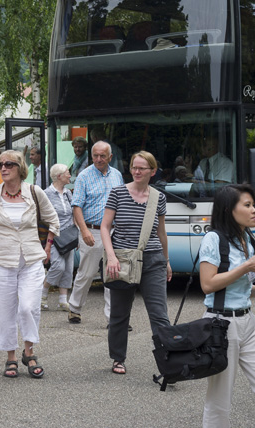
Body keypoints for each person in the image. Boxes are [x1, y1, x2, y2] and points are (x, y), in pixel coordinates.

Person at [198, 183, 255, 427]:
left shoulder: (246, 238)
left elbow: (244, 289)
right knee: (219, 400)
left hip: (249, 323)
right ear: (229, 209)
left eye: (253, 205)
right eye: (247, 205)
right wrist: (247, 266)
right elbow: (207, 284)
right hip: (220, 325)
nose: (254, 210)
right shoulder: (213, 239)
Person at [0, 150, 59, 379]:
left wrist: (47, 247)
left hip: (31, 260)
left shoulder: (34, 192)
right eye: (0, 164)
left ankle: (29, 352)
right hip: (1, 261)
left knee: (28, 307)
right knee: (4, 311)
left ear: (20, 168)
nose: (3, 168)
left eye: (9, 164)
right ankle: (11, 357)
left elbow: (53, 220)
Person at [102, 151, 170, 375]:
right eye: (134, 167)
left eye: (142, 168)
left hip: (153, 259)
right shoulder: (118, 193)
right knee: (120, 314)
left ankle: (168, 362)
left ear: (153, 171)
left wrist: (166, 261)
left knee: (159, 314)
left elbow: (161, 232)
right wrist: (111, 256)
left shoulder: (159, 197)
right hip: (123, 259)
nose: (137, 171)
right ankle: (118, 358)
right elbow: (105, 226)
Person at [67, 141, 123, 326]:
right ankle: (75, 308)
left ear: (110, 157)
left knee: (113, 273)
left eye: (102, 156)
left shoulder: (117, 175)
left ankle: (112, 317)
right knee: (87, 273)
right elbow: (76, 206)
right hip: (93, 230)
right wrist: (84, 231)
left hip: (114, 231)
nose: (98, 159)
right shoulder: (84, 176)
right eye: (95, 156)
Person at [41, 164, 75, 312]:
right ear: (59, 176)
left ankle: (63, 300)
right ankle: (42, 295)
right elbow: (44, 217)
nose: (70, 175)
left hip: (69, 237)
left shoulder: (68, 193)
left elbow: (73, 213)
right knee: (58, 266)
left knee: (68, 268)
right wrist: (47, 244)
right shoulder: (46, 194)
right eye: (68, 173)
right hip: (54, 236)